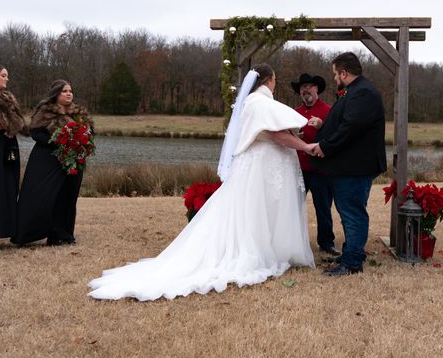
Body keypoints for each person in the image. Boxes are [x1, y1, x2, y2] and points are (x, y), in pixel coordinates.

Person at [88, 64, 315, 300]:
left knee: (250, 210)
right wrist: (305, 146)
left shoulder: (249, 104)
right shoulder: (260, 103)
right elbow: (274, 134)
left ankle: (266, 248)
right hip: (259, 167)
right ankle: (257, 252)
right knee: (256, 210)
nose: (275, 83)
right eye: (275, 79)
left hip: (254, 166)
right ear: (268, 80)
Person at [309, 52, 386, 276]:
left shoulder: (363, 93)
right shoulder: (356, 91)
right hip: (349, 165)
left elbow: (350, 128)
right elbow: (345, 121)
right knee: (348, 211)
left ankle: (352, 263)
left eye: (335, 74)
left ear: (344, 72)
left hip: (355, 167)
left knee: (352, 213)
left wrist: (325, 146)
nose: (334, 79)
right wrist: (324, 126)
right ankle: (352, 253)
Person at [12, 80, 93, 246]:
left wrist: (79, 142)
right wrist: (60, 142)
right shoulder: (45, 111)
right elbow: (36, 134)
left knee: (68, 197)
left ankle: (63, 234)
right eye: (64, 91)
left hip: (73, 160)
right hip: (47, 160)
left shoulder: (79, 113)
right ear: (56, 94)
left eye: (70, 90)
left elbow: (90, 132)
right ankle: (31, 232)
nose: (69, 93)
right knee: (45, 196)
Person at [291, 73, 338, 256]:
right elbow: (287, 137)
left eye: (309, 86)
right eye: (303, 87)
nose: (306, 90)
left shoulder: (328, 111)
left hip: (320, 169)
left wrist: (321, 127)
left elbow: (335, 137)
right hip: (298, 169)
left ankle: (326, 243)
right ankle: (294, 241)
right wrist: (295, 136)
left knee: (323, 208)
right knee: (293, 207)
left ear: (317, 89)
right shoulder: (294, 113)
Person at [0, 64, 27, 248]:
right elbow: (10, 123)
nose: (7, 78)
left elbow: (19, 121)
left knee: (7, 187)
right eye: (3, 75)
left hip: (8, 147)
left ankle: (3, 230)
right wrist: (4, 124)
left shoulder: (8, 98)